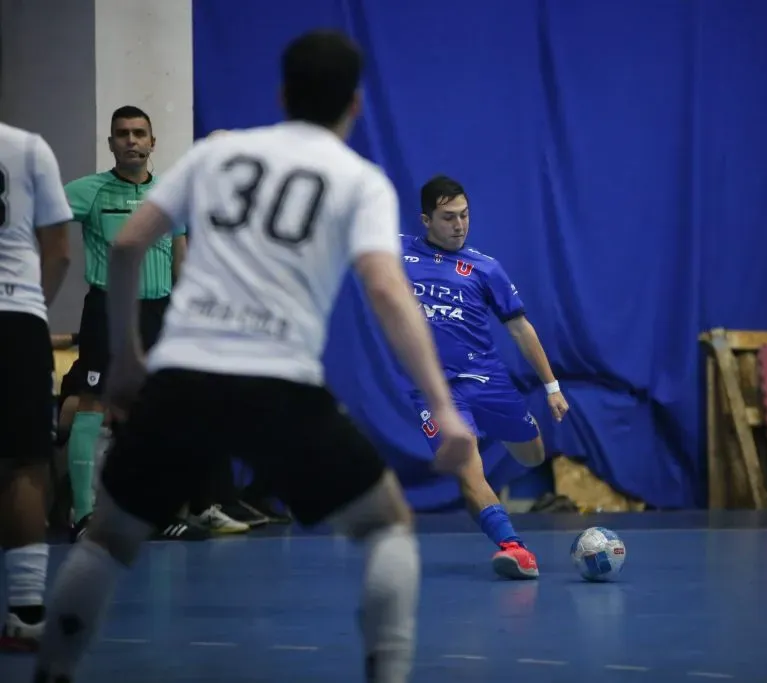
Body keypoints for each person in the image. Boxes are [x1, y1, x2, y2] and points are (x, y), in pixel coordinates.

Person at [32, 29, 474, 683]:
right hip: (280, 387)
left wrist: (126, 358)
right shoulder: (360, 180)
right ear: (355, 105)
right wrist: (443, 406)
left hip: (183, 376)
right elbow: (386, 290)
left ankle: (53, 669)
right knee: (387, 527)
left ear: (282, 94)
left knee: (108, 539)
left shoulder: (218, 153)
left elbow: (126, 246)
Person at [401, 175, 570, 579]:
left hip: (488, 380)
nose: (459, 225)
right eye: (448, 217)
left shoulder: (485, 268)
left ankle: (495, 426)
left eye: (464, 215)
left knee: (532, 454)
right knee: (467, 468)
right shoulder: (397, 253)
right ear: (426, 220)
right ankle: (514, 548)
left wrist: (551, 387)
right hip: (435, 390)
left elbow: (520, 329)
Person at [61, 106, 207, 541]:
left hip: (157, 312)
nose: (131, 140)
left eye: (139, 133)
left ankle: (157, 514)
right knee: (93, 405)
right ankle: (83, 515)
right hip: (107, 310)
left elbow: (181, 258)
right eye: (122, 134)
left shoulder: (170, 195)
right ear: (111, 143)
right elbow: (39, 216)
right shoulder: (87, 192)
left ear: (152, 142)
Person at [0, 123, 72, 651]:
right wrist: (32, 305)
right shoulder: (27, 148)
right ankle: (26, 613)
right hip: (16, 316)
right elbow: (60, 251)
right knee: (25, 463)